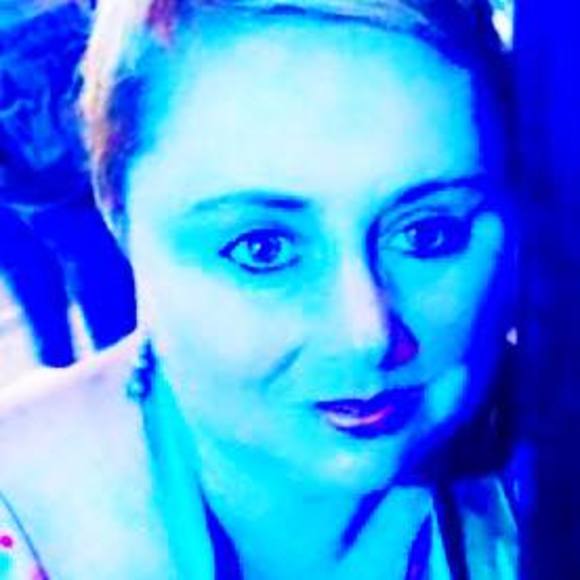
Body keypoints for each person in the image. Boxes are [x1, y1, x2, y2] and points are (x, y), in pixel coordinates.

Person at [0, 0, 519, 577]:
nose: (365, 336)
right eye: (262, 249)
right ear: (117, 215)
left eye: (428, 234)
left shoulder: (552, 462)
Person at [0, 0, 137, 368]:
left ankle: (74, 367)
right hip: (57, 129)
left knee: (41, 275)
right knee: (94, 263)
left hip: (41, 134)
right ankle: (116, 370)